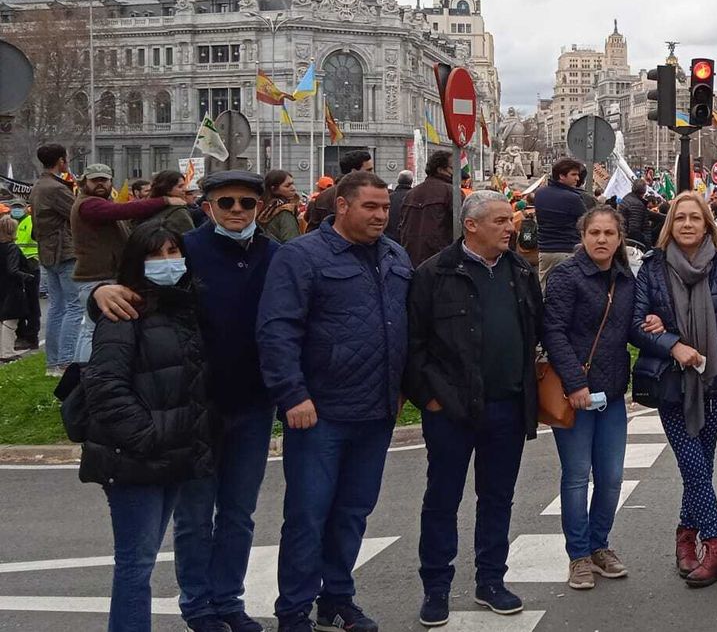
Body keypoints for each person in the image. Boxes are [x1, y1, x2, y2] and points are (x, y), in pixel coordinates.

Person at [90, 171, 283, 632]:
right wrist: (97, 294)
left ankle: (229, 600)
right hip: (196, 410)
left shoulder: (277, 255)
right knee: (196, 517)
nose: (237, 211)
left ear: (260, 207)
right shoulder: (185, 250)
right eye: (226, 202)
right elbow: (136, 291)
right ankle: (198, 606)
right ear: (209, 206)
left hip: (254, 405)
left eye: (246, 203)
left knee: (239, 515)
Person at [256, 171, 410, 632]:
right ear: (342, 206)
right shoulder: (301, 257)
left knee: (353, 513)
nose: (381, 216)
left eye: (385, 208)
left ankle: (337, 599)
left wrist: (403, 387)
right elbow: (277, 330)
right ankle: (294, 612)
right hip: (319, 412)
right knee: (307, 515)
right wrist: (293, 395)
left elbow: (407, 326)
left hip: (376, 410)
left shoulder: (395, 255)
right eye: (371, 207)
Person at [405, 191, 542, 626]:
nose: (510, 227)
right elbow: (412, 343)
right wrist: (428, 395)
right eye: (501, 220)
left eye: (510, 219)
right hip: (451, 409)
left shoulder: (520, 270)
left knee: (497, 499)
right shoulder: (435, 273)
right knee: (442, 499)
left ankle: (491, 581)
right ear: (472, 225)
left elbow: (534, 327)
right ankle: (436, 588)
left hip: (507, 406)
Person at [79, 223, 215, 632]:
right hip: (136, 459)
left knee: (146, 557)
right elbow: (103, 386)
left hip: (174, 453)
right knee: (135, 565)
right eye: (156, 255)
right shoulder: (123, 312)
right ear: (136, 262)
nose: (167, 262)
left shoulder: (185, 306)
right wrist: (147, 437)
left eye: (174, 252)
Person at [633, 192, 717, 587]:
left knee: (700, 462)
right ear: (670, 224)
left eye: (696, 218)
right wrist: (673, 343)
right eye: (680, 218)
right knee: (693, 463)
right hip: (671, 382)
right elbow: (636, 323)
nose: (687, 224)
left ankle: (685, 539)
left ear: (708, 224)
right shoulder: (652, 268)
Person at [543, 205, 641, 591]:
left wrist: (654, 326)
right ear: (583, 237)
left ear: (620, 239)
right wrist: (574, 383)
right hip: (575, 395)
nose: (601, 240)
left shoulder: (626, 278)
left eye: (609, 234)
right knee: (576, 477)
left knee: (613, 478)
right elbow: (553, 331)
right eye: (594, 233)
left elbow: (630, 330)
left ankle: (600, 545)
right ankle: (579, 555)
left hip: (613, 393)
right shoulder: (567, 276)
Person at [73, 165, 186, 363]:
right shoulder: (88, 204)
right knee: (92, 331)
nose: (100, 184)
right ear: (84, 183)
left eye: (104, 180)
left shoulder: (100, 203)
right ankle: (83, 371)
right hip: (96, 277)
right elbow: (124, 209)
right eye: (95, 180)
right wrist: (165, 200)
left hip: (106, 274)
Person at [31, 143, 82, 373]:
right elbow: (78, 212)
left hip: (47, 252)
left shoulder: (38, 186)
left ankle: (53, 362)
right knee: (74, 307)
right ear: (61, 161)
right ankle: (65, 361)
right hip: (63, 251)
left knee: (56, 308)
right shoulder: (55, 188)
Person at [398, 150, 458, 268]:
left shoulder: (411, 194)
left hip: (411, 259)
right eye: (452, 168)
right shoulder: (452, 192)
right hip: (441, 260)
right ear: (440, 169)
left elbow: (401, 227)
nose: (456, 172)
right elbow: (461, 227)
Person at [533, 158, 588, 284]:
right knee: (566, 289)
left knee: (545, 288)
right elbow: (586, 222)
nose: (577, 179)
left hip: (545, 251)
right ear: (561, 176)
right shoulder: (572, 198)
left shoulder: (540, 193)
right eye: (573, 174)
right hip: (567, 249)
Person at [302, 150, 372, 230]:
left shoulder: (322, 197)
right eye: (369, 170)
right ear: (354, 171)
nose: (372, 174)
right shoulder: (325, 198)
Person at [0, 216, 36, 362]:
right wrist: (28, 276)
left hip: (1, 287)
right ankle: (6, 351)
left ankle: (4, 349)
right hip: (12, 288)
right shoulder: (12, 248)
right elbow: (12, 270)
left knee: (2, 319)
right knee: (10, 321)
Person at [259, 170, 303, 243]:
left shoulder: (261, 207)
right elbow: (292, 241)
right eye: (287, 186)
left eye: (293, 184)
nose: (293, 188)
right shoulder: (285, 211)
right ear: (273, 189)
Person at [619, 178, 652, 245]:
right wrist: (646, 241)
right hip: (634, 244)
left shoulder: (627, 198)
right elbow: (634, 230)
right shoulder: (636, 204)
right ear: (644, 190)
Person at [385, 170, 414, 239]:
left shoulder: (389, 198)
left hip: (390, 238)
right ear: (411, 181)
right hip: (409, 239)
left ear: (398, 181)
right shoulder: (415, 197)